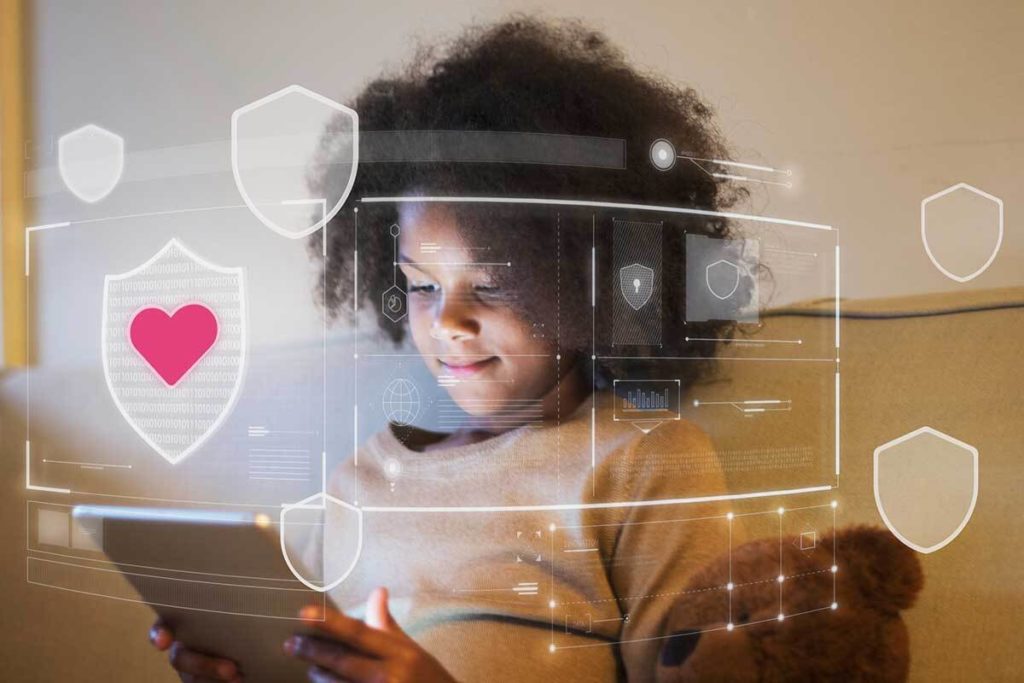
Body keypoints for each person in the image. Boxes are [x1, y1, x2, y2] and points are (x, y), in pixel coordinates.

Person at [150, 16, 748, 682]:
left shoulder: (643, 462)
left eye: (491, 285)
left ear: (592, 282)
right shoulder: (358, 481)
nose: (450, 320)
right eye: (423, 285)